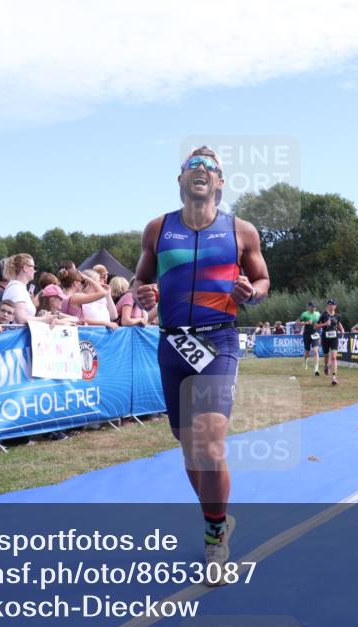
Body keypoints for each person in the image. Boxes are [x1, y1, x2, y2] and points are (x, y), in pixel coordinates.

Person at [132, 145, 269, 584]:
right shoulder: (158, 229)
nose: (201, 169)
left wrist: (253, 292)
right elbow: (140, 279)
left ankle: (215, 538)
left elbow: (263, 279)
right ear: (180, 179)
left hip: (218, 341)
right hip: (173, 343)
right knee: (189, 447)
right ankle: (218, 515)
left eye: (210, 166)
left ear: (220, 182)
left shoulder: (241, 230)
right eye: (193, 164)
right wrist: (142, 293)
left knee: (209, 445)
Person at [316, 299, 344, 385]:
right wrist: (325, 324)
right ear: (327, 306)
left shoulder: (338, 316)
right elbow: (315, 326)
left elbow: (338, 324)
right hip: (325, 338)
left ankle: (334, 377)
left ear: (335, 306)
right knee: (326, 356)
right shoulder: (323, 315)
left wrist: (342, 329)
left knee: (334, 357)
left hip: (334, 338)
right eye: (329, 305)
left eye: (332, 305)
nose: (331, 306)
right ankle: (326, 366)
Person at [297, 301, 322, 373]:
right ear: (309, 307)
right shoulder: (304, 314)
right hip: (307, 334)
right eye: (312, 307)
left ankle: (316, 369)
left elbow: (321, 322)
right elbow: (298, 322)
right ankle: (306, 362)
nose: (313, 308)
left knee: (316, 351)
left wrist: (320, 325)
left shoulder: (318, 314)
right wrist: (306, 322)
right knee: (307, 352)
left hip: (315, 334)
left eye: (314, 307)